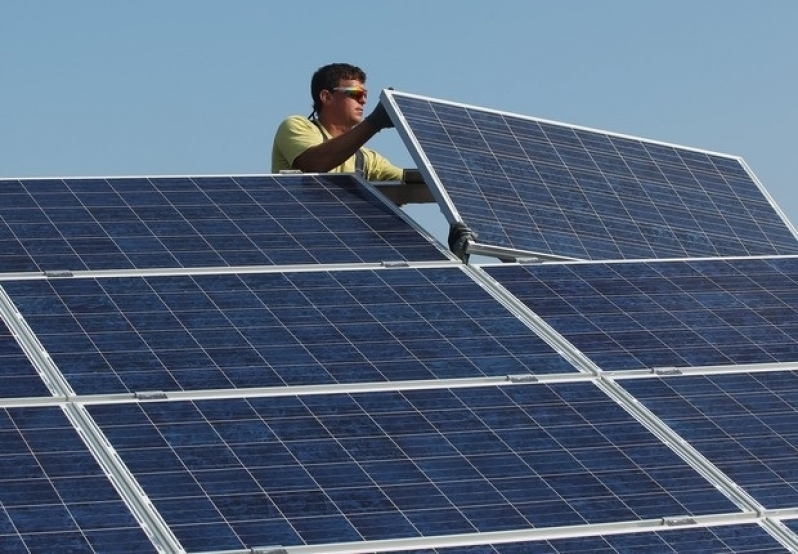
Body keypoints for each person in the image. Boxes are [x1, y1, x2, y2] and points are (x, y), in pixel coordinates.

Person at [271, 62, 406, 182]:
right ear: (327, 97)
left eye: (365, 95)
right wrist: (374, 122)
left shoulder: (367, 159)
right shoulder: (295, 126)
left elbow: (411, 182)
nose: (363, 101)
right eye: (356, 93)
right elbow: (314, 163)